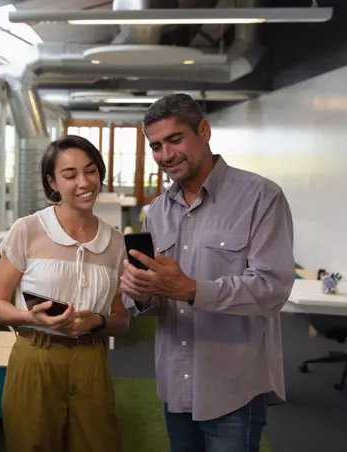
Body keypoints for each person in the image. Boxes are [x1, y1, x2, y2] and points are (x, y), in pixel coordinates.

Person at [120, 94, 295, 452]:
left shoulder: (262, 197)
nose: (166, 156)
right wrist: (140, 292)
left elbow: (272, 288)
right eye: (156, 146)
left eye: (174, 140)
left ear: (204, 130)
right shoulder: (156, 212)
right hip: (174, 382)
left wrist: (190, 289)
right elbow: (153, 302)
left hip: (232, 385)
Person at [0, 135, 129, 452]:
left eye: (91, 171)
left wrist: (98, 321)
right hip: (35, 356)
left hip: (91, 358)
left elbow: (123, 320)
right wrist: (28, 316)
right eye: (70, 175)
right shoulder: (27, 229)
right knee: (32, 443)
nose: (84, 182)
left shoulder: (116, 242)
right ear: (53, 181)